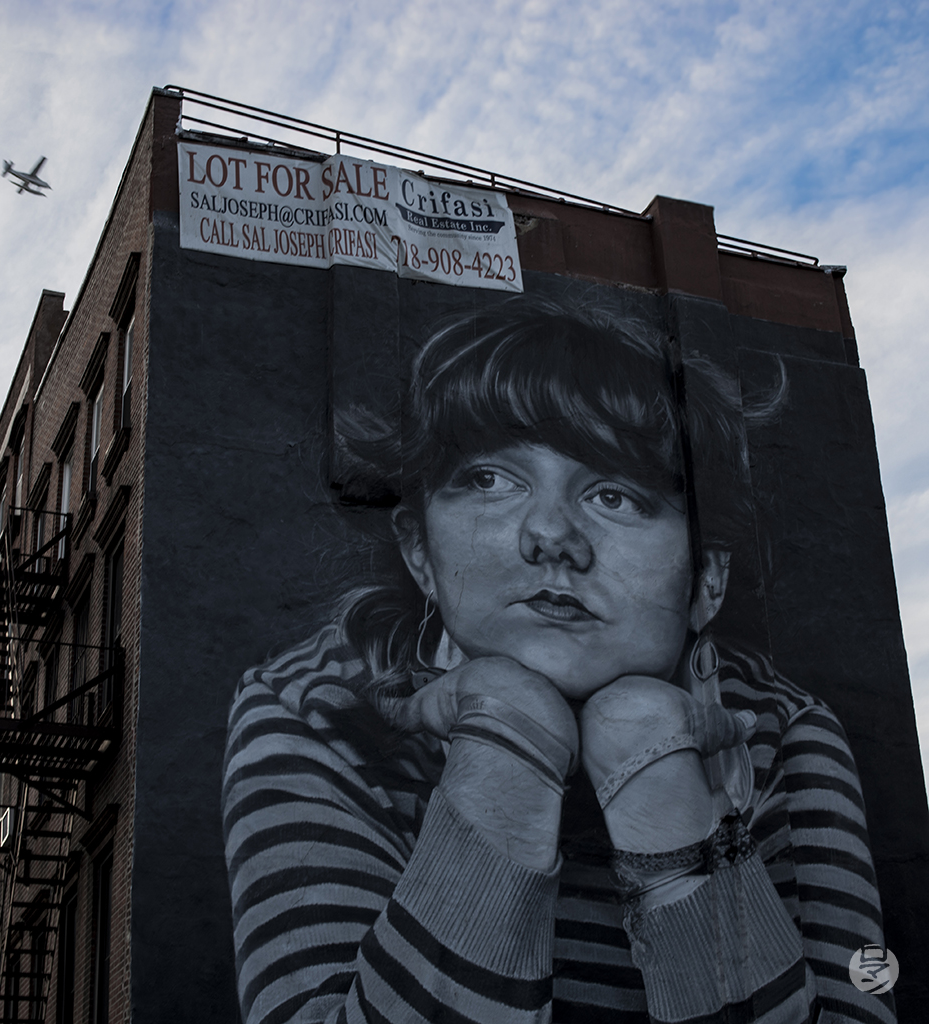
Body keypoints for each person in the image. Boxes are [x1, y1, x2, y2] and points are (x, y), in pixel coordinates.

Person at [223, 299, 895, 1024]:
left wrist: (668, 819)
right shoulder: (313, 712)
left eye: (615, 494)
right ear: (419, 550)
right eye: (490, 480)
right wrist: (507, 751)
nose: (548, 535)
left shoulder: (785, 734)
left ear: (707, 581)